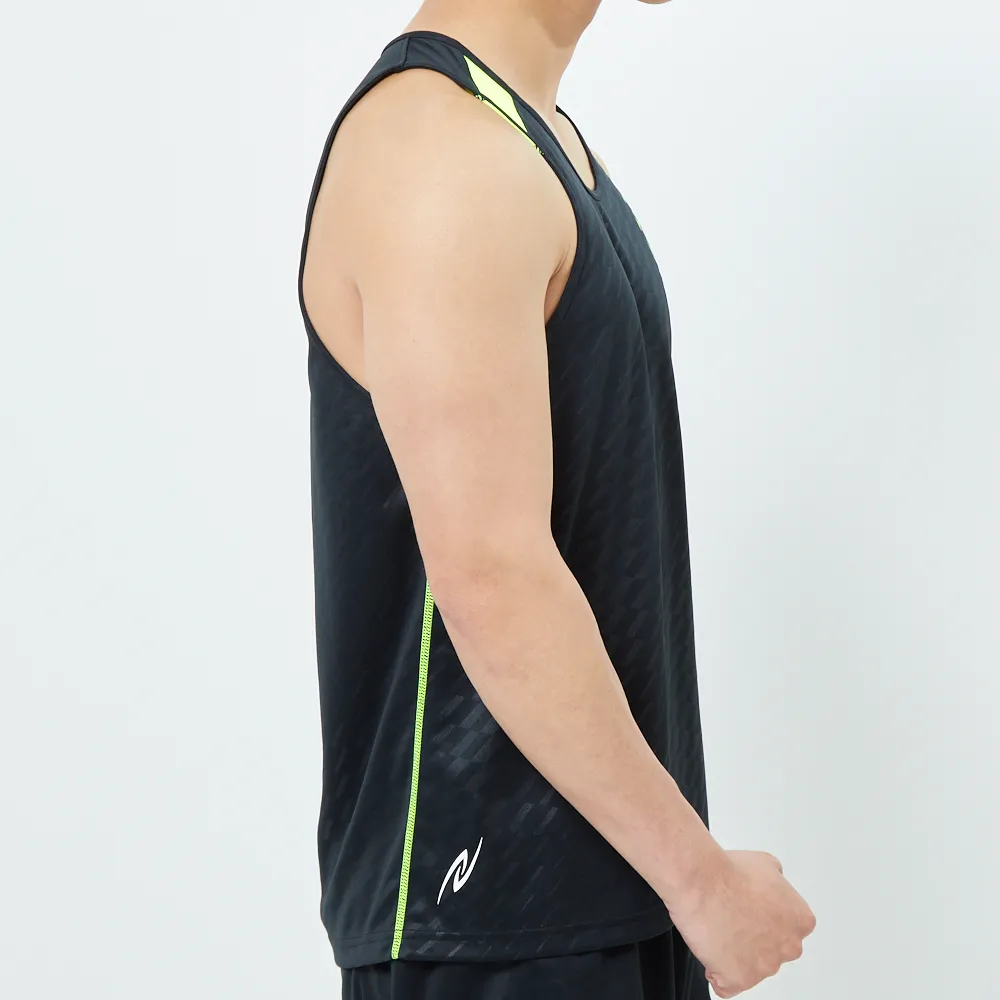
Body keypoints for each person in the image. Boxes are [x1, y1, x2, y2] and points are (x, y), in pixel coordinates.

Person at [297, 2, 816, 998]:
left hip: (594, 900)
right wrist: (702, 882)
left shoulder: (529, 138)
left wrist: (679, 876)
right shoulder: (439, 150)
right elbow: (492, 577)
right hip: (488, 927)